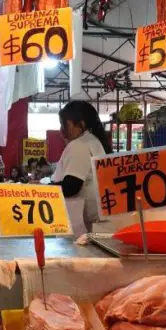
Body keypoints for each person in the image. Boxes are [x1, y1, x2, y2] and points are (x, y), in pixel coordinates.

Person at [51, 101, 111, 236]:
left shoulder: (80, 145)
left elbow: (71, 186)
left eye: (64, 124)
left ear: (81, 124)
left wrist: (45, 189)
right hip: (92, 223)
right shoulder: (92, 141)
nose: (62, 131)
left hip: (81, 226)